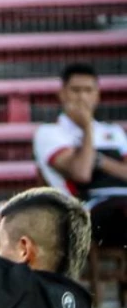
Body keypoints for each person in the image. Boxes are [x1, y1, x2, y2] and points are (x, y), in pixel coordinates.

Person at [34, 63, 127, 249]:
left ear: (97, 95)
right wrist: (87, 129)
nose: (82, 97)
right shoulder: (49, 132)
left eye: (88, 90)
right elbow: (81, 174)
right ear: (62, 94)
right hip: (88, 208)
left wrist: (98, 160)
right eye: (75, 90)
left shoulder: (113, 132)